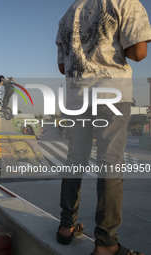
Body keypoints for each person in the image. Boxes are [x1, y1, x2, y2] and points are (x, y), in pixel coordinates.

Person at [56, 1, 151, 254]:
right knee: (110, 163)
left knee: (75, 158)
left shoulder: (69, 13)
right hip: (112, 94)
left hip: (77, 97)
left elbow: (63, 66)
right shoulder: (125, 3)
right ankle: (106, 243)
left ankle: (66, 226)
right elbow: (139, 53)